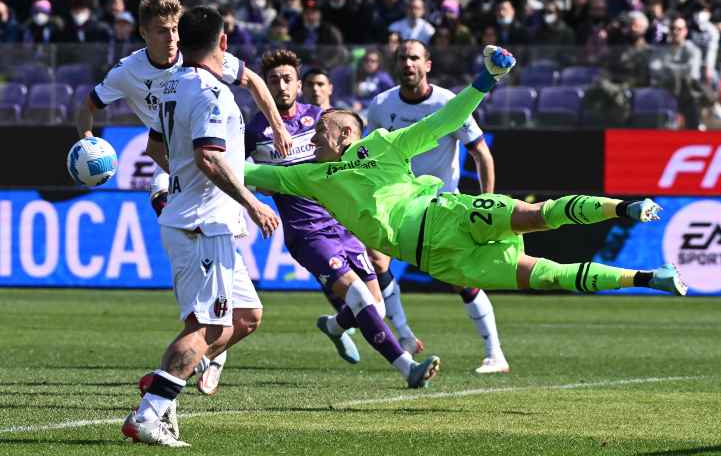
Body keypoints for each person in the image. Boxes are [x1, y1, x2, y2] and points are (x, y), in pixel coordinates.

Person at [243, 47, 688, 339]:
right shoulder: (306, 177)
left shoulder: (382, 144)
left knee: (539, 216)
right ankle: (650, 278)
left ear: (342, 134)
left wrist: (486, 79)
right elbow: (248, 171)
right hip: (444, 260)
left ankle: (626, 206)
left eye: (319, 132)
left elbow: (445, 119)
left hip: (449, 215)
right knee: (549, 275)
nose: (310, 140)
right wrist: (192, 150)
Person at [76, 0, 292, 406]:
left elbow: (254, 84)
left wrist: (278, 127)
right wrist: (87, 142)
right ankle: (160, 400)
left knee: (247, 317)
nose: (171, 38)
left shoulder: (196, 67)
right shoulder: (133, 73)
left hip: (198, 173)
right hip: (190, 186)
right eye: (162, 31)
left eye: (176, 29)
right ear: (143, 34)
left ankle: (177, 371)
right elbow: (92, 109)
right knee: (206, 320)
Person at [120, 6, 282, 447]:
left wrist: (183, 179)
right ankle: (149, 414)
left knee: (246, 318)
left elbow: (157, 144)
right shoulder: (212, 94)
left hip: (205, 221)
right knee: (207, 327)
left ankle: (164, 380)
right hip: (203, 225)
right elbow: (209, 157)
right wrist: (252, 203)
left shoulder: (171, 85)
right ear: (223, 43)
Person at [246, 48, 440, 389]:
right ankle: (408, 368)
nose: (281, 87)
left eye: (287, 79)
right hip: (307, 233)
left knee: (375, 309)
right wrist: (252, 200)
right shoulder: (255, 130)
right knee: (361, 299)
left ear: (299, 83)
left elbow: (355, 158)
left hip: (343, 223)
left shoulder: (321, 119)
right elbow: (239, 173)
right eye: (273, 81)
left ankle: (335, 326)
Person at [365, 39, 507, 374]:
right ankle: (405, 336)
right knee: (375, 258)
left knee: (461, 279)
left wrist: (488, 204)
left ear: (427, 64)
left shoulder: (449, 104)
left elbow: (481, 153)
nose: (407, 64)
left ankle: (495, 353)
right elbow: (370, 155)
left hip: (441, 206)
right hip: (396, 204)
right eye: (402, 58)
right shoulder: (380, 106)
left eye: (414, 58)